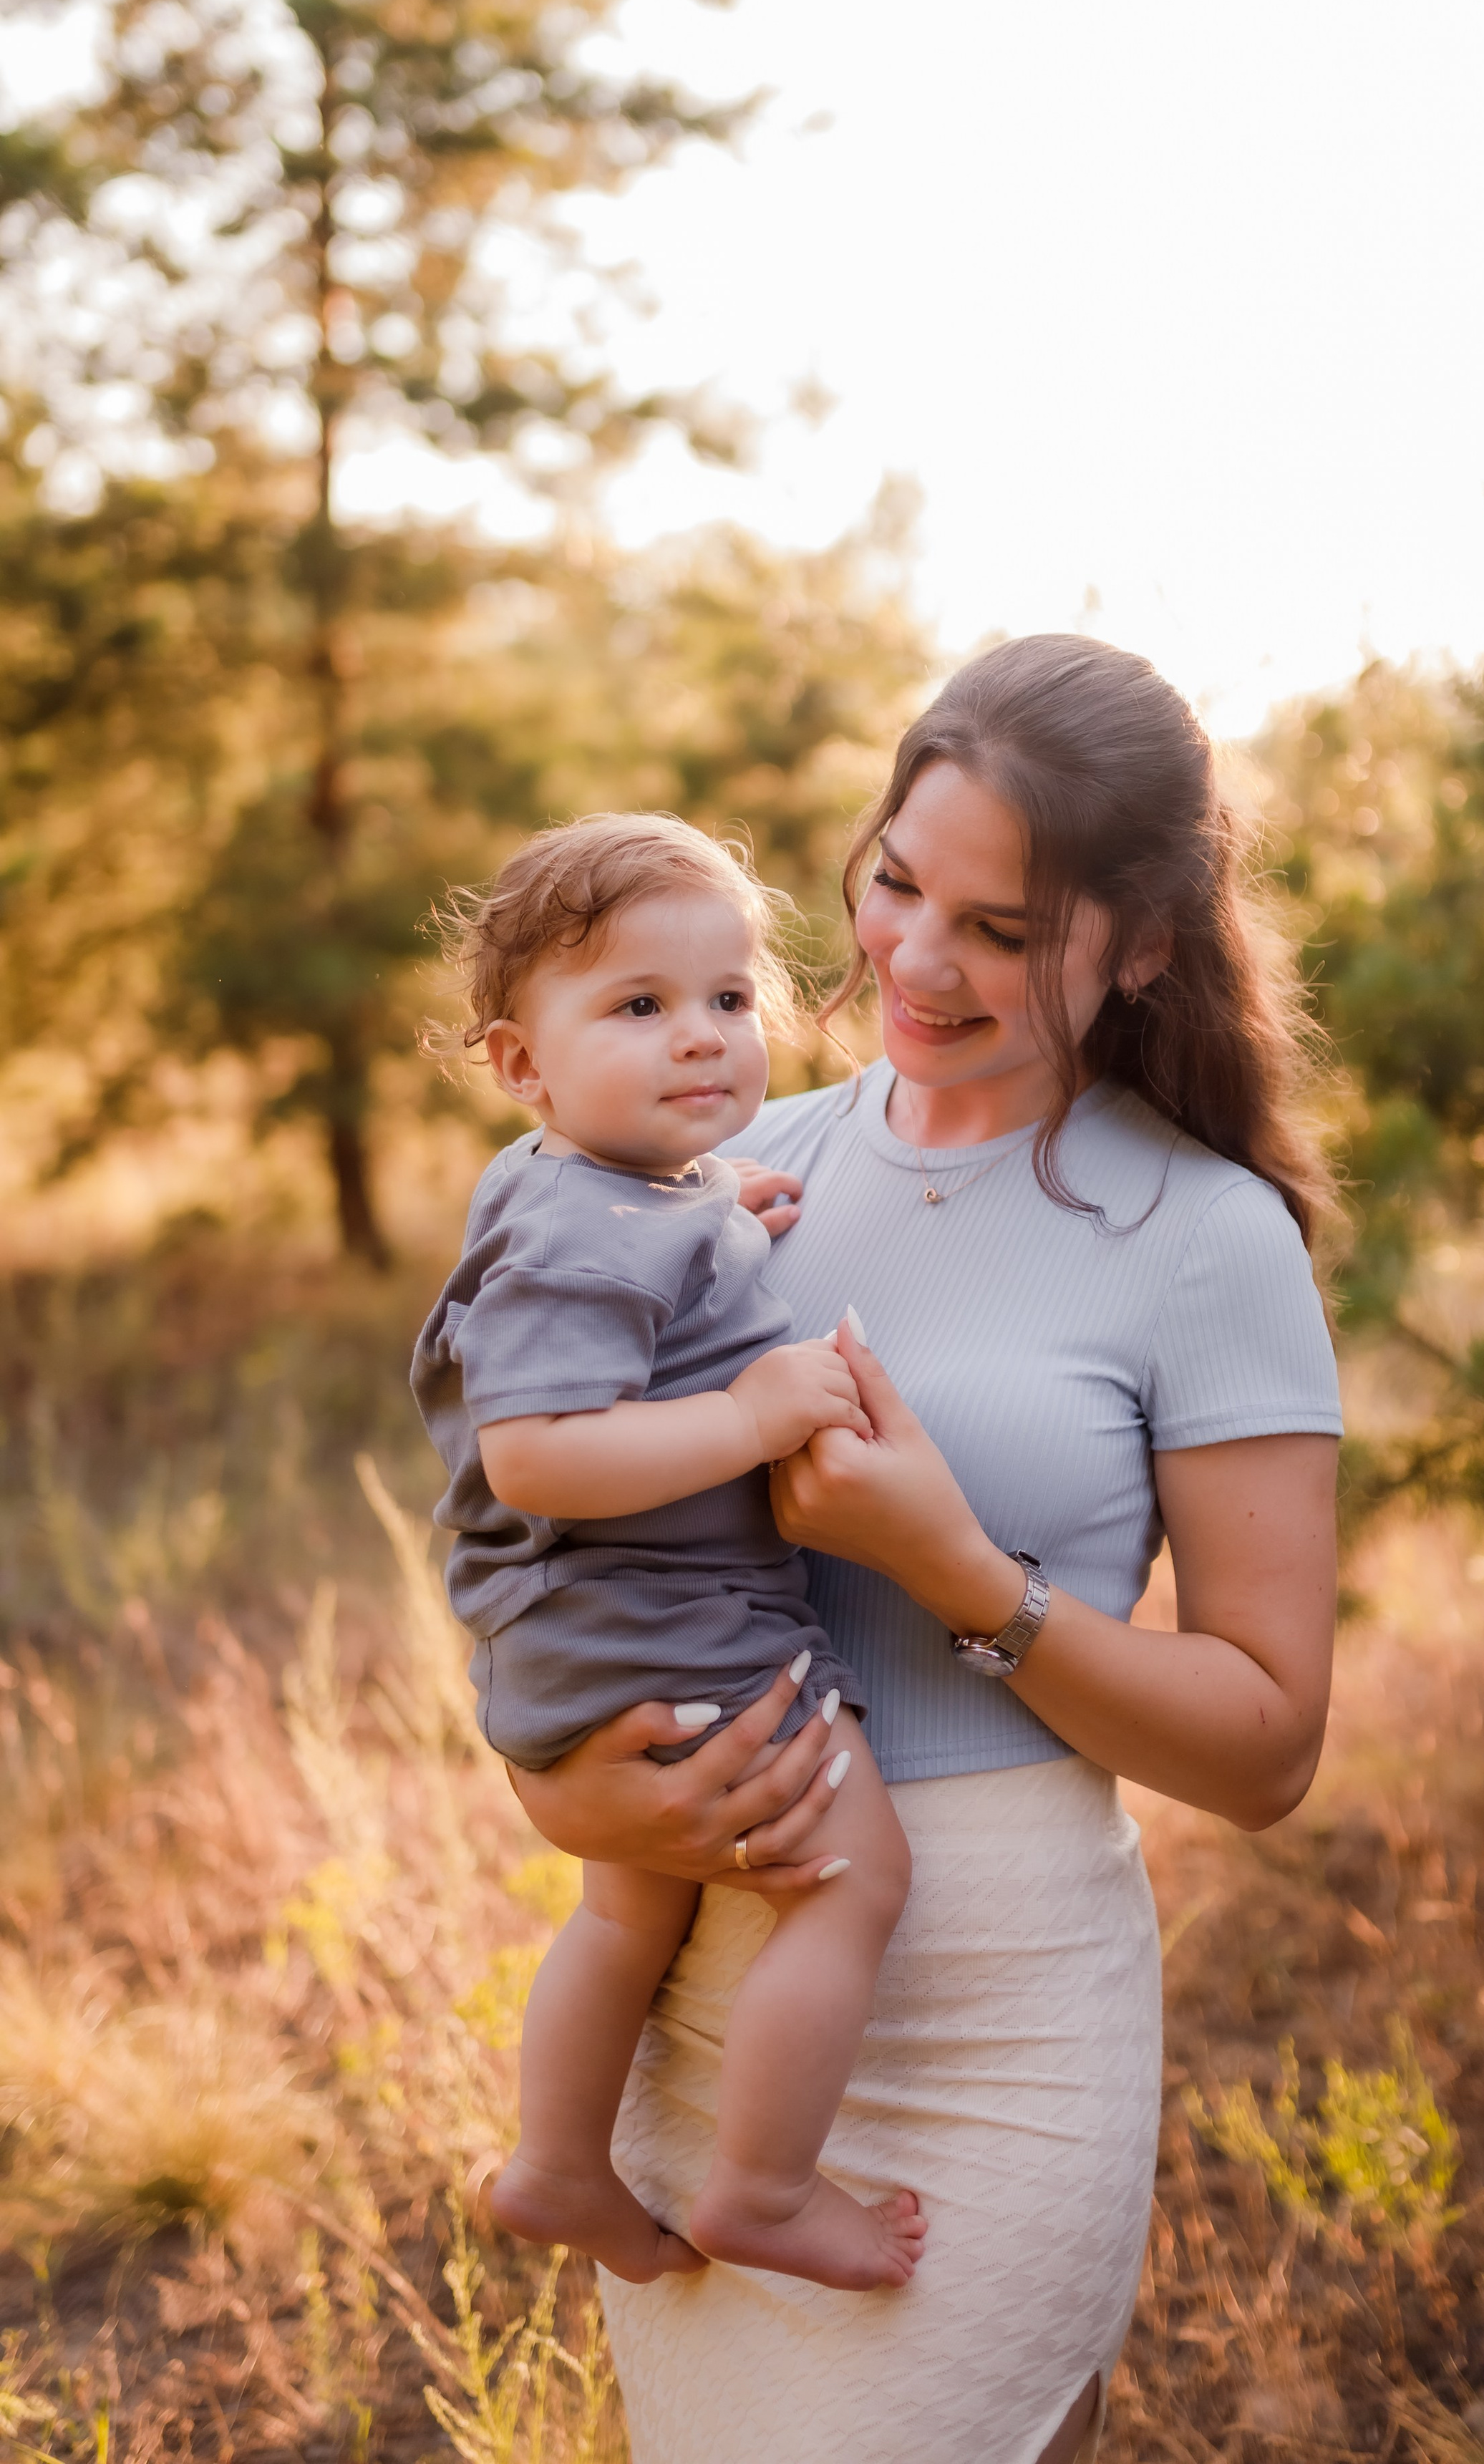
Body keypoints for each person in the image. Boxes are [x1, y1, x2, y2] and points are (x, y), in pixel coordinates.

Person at [510, 635, 1344, 2464]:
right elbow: (533, 1533)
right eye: (896, 883)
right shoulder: (708, 1171)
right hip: (711, 2016)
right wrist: (579, 1808)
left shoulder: (1207, 1238)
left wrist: (961, 1571)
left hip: (999, 2017)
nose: (912, 957)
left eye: (999, 926)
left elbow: (1268, 1749)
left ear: (1139, 941)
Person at [411, 814, 923, 2294]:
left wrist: (721, 1229)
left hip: (594, 1640)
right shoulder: (580, 1231)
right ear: (521, 1064)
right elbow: (542, 1454)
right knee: (852, 1879)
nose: (700, 1038)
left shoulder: (620, 1192)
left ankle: (559, 2164)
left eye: (725, 998)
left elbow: (645, 1279)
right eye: (637, 1007)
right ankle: (761, 2186)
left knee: (628, 1903)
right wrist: (749, 1408)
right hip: (667, 1626)